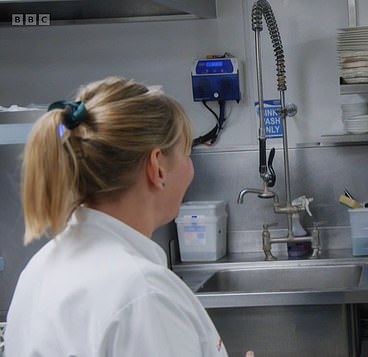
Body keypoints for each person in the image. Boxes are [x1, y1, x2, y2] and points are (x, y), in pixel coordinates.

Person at [5, 77, 251, 356]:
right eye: (186, 153)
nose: (190, 168)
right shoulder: (143, 295)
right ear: (157, 167)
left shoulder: (40, 268)